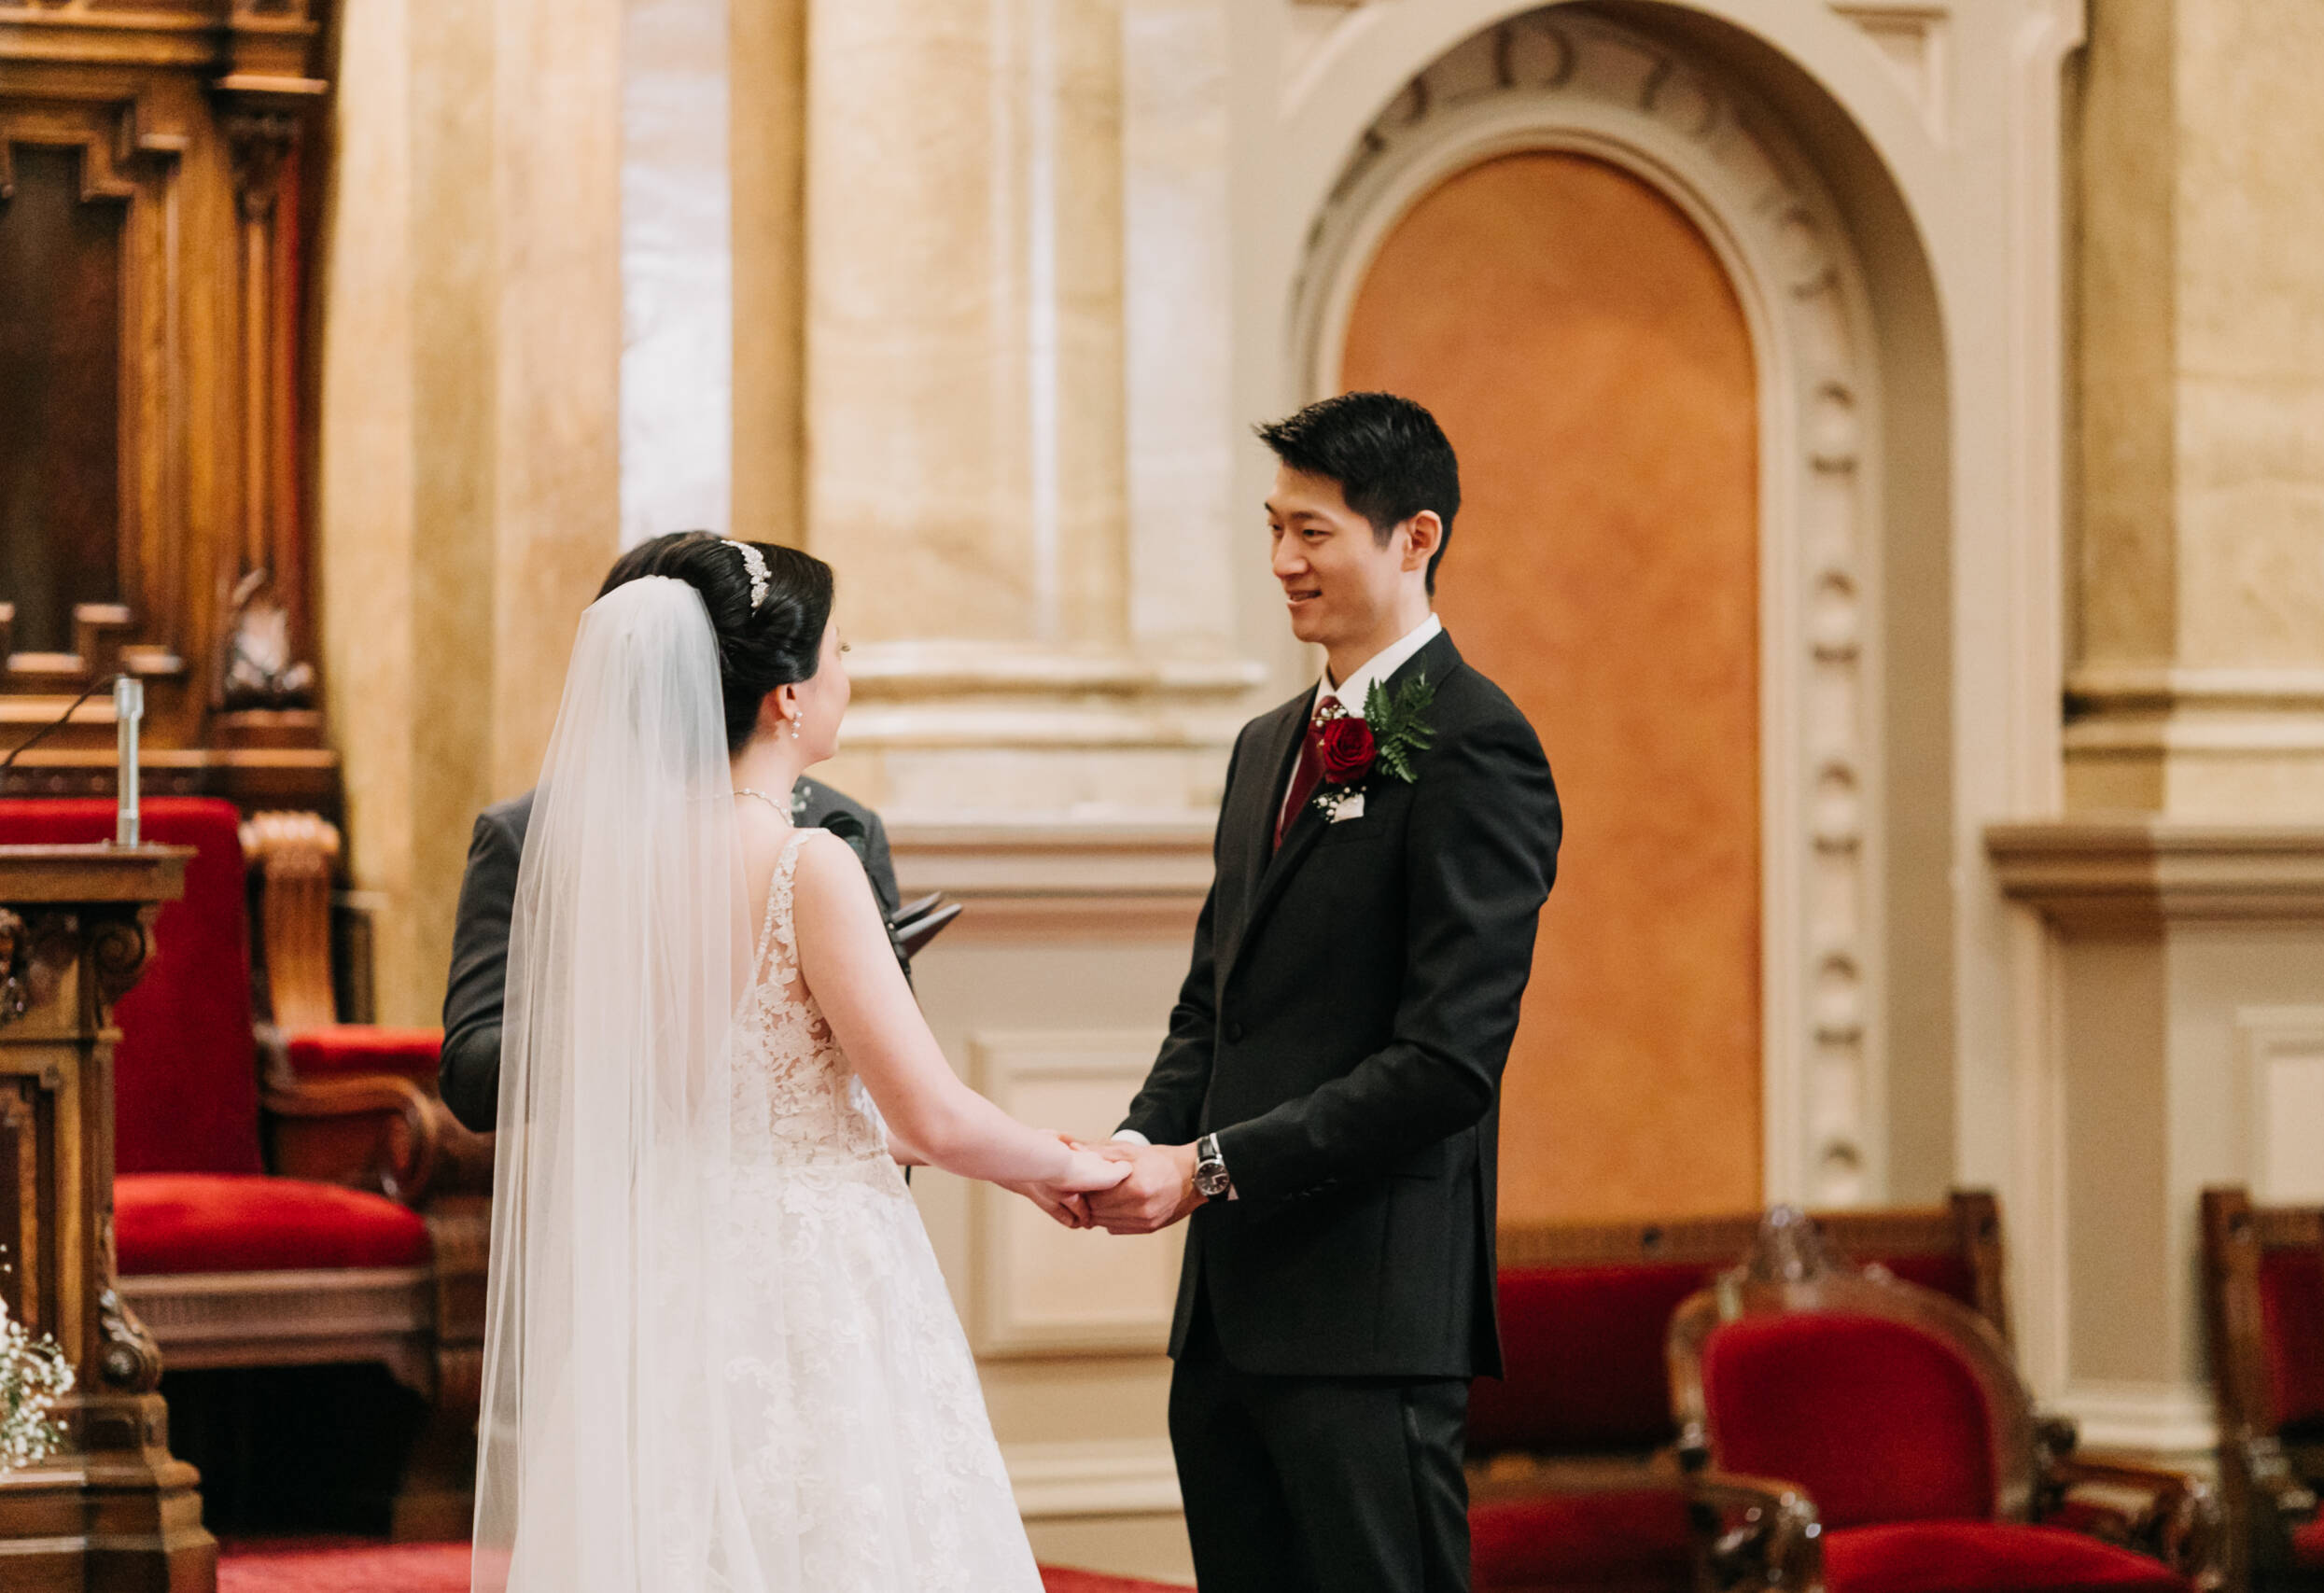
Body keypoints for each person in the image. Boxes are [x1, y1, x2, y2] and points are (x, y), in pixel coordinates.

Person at [469, 534, 1127, 1591]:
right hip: (803, 1269)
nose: (846, 674)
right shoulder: (805, 864)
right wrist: (1073, 1164)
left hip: (665, 1263)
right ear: (786, 696)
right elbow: (926, 1116)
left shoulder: (620, 872)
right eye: (840, 651)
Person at [1073, 393, 1562, 1593]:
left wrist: (1207, 1168)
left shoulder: (1475, 742)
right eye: (1273, 528)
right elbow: (1215, 1004)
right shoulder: (1265, 747)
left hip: (1368, 1322)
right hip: (1227, 1319)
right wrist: (1137, 1141)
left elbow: (1445, 1065)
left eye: (1314, 533)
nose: (1283, 562)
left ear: (1415, 538)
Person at [437, 531, 899, 1133]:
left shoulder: (838, 826)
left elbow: (891, 1080)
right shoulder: (525, 835)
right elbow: (470, 1073)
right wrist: (627, 1003)